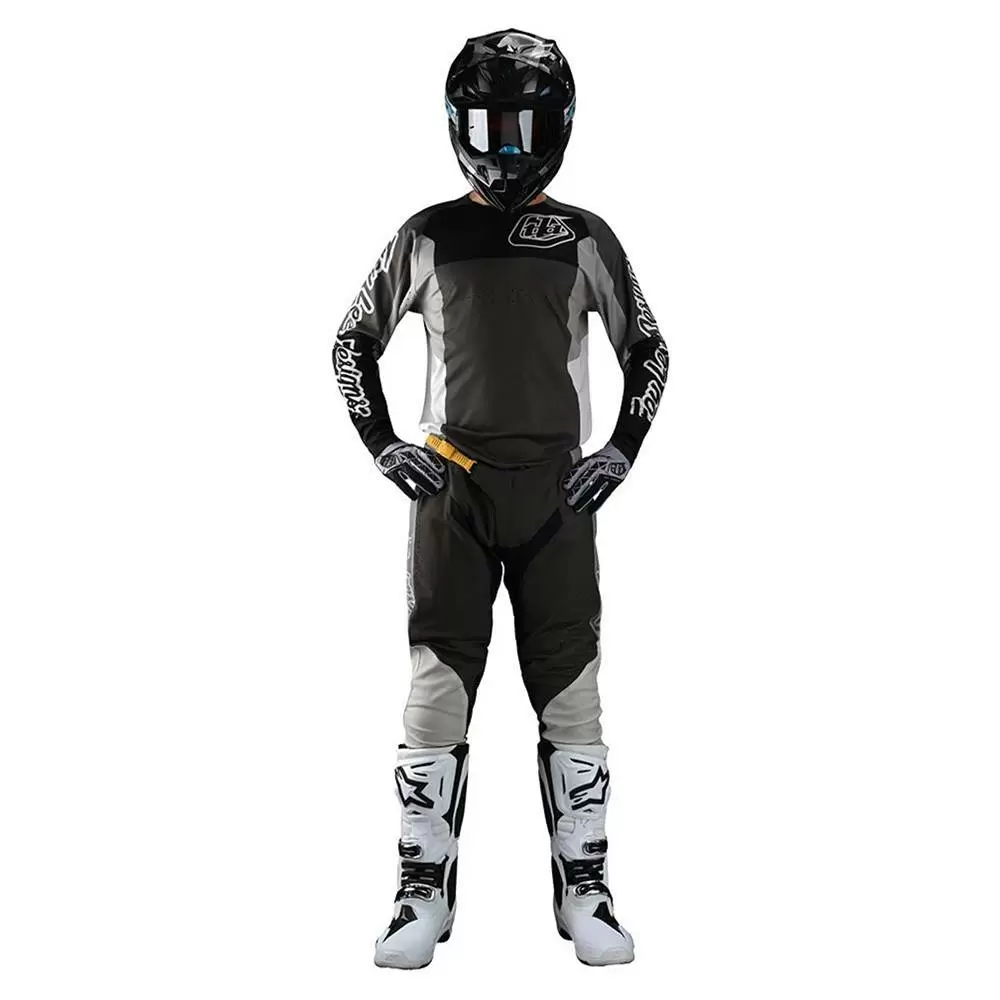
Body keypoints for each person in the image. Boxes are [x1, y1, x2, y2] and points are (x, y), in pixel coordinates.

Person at [332, 29, 668, 969]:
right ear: (457, 125)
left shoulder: (587, 237)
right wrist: (384, 445)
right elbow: (352, 340)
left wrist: (623, 450)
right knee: (436, 694)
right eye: (487, 128)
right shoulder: (428, 234)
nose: (505, 149)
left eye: (523, 128)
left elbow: (649, 348)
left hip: (559, 498)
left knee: (573, 694)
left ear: (558, 126)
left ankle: (586, 889)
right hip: (454, 494)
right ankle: (419, 892)